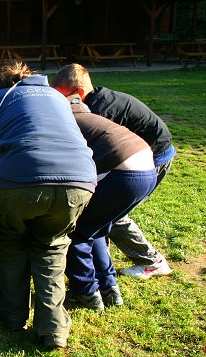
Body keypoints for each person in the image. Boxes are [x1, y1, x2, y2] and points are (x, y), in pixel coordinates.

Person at [0, 60, 96, 349]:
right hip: (79, 182)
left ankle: (12, 314)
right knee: (51, 247)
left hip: (20, 182)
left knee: (11, 241)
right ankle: (53, 329)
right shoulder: (58, 97)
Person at [51, 63, 175, 280]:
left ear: (79, 93)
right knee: (103, 211)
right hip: (140, 158)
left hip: (154, 158)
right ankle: (101, 263)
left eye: (62, 97)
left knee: (111, 212)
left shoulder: (100, 109)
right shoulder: (95, 100)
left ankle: (151, 261)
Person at [56, 92, 157, 311]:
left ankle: (86, 291)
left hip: (122, 173)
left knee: (77, 230)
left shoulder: (63, 120)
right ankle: (110, 288)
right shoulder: (88, 117)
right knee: (97, 230)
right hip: (148, 167)